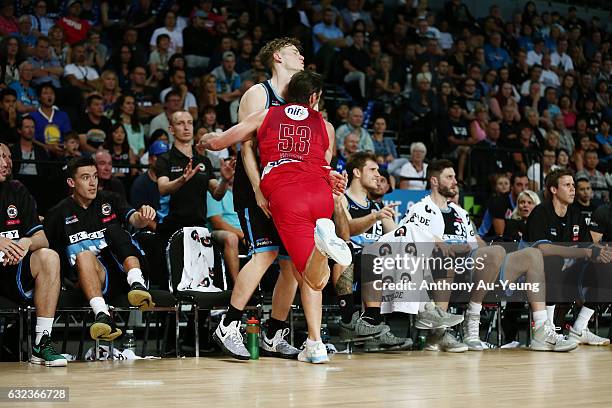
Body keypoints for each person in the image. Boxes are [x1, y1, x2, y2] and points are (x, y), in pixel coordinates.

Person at [203, 70, 351, 363]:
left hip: (283, 194)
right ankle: (314, 341)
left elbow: (221, 143)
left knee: (299, 270)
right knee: (302, 273)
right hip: (318, 195)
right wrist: (334, 180)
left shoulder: (265, 114)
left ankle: (276, 329)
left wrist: (206, 141)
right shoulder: (326, 125)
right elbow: (323, 165)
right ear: (314, 98)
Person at [402, 160, 569, 351]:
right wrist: (438, 242)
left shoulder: (460, 212)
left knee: (530, 254)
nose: (455, 181)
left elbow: (477, 242)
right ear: (434, 181)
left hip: (474, 269)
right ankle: (464, 324)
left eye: (455, 177)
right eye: (449, 177)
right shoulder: (419, 208)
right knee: (463, 255)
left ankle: (541, 329)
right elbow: (408, 237)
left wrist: (490, 251)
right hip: (439, 271)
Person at [207, 38, 305, 362]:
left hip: (289, 190)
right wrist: (259, 189)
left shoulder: (301, 98)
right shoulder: (257, 94)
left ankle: (273, 334)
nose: (301, 56)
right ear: (278, 57)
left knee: (291, 266)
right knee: (264, 254)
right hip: (256, 187)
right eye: (294, 52)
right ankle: (229, 323)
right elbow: (245, 148)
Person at [44, 156, 157, 341]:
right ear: (72, 182)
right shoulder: (58, 214)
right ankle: (102, 316)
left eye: (95, 177)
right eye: (86, 177)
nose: (93, 183)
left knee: (113, 229)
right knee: (83, 256)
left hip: (124, 269)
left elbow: (135, 219)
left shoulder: (110, 199)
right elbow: (45, 246)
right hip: (95, 279)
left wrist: (143, 218)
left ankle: (137, 283)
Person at [525, 169, 612, 346]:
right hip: (532, 278)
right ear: (553, 190)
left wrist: (602, 253)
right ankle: (546, 329)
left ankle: (579, 328)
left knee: (606, 267)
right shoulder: (540, 212)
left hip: (567, 273)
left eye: (573, 185)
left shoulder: (576, 215)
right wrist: (585, 252)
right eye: (567, 185)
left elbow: (588, 246)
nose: (573, 189)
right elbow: (543, 249)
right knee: (553, 260)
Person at [335, 152, 412, 351]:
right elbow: (346, 230)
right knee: (365, 254)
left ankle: (427, 317)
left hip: (373, 264)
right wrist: (374, 217)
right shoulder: (341, 199)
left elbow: (397, 235)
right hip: (345, 260)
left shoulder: (377, 206)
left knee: (412, 253)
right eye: (373, 169)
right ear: (357, 172)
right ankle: (354, 320)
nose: (378, 174)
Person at [0, 147, 66, 367]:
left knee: (49, 256)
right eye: (0, 157)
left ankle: (42, 342)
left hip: (13, 271)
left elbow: (42, 238)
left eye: (9, 157)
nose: (6, 162)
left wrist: (25, 242)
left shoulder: (17, 190)